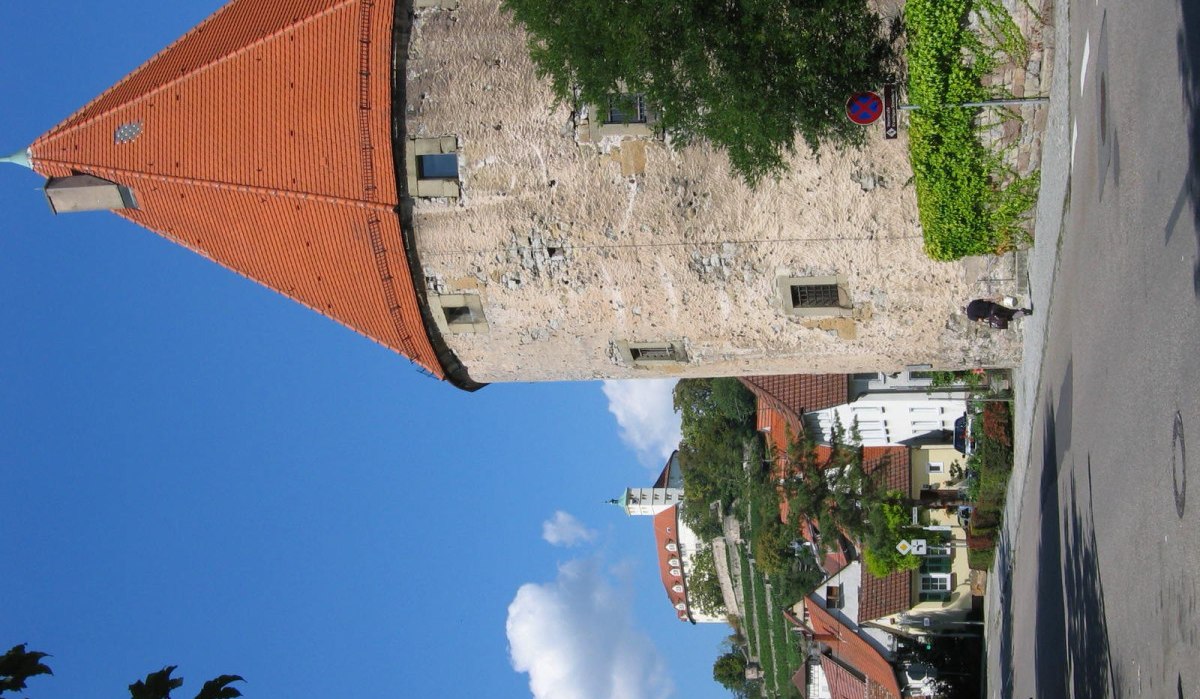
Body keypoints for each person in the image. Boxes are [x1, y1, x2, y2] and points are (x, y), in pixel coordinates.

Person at [963, 297, 1032, 329]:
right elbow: (985, 299)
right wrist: (995, 299)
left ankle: (1022, 312)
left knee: (1009, 318)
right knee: (1009, 311)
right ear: (965, 306)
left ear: (964, 312)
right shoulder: (972, 302)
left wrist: (982, 320)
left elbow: (980, 320)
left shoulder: (970, 316)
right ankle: (1021, 310)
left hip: (992, 315)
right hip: (994, 306)